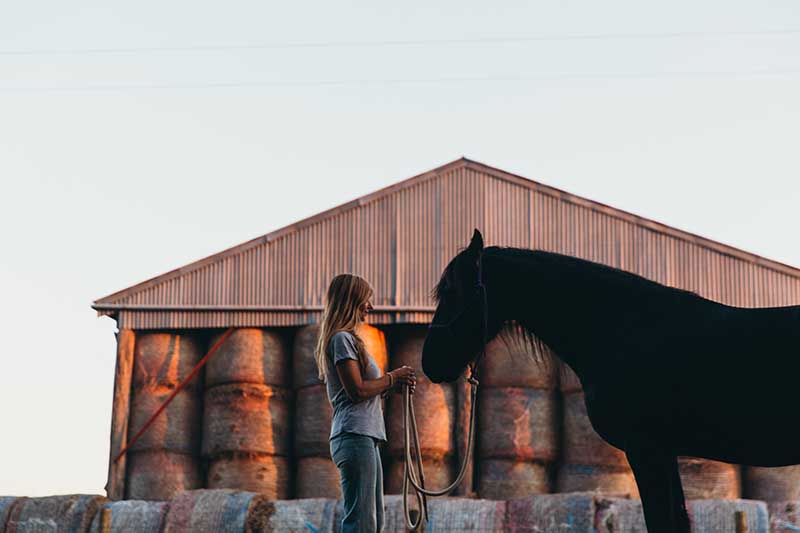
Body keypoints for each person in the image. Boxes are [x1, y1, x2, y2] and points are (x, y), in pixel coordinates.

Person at [315, 273, 416, 532]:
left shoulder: (348, 340)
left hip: (365, 436)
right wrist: (393, 378)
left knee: (373, 521)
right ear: (353, 300)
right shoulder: (341, 339)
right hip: (354, 435)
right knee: (361, 522)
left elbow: (365, 392)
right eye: (366, 298)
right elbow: (357, 391)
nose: (370, 305)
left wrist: (393, 386)